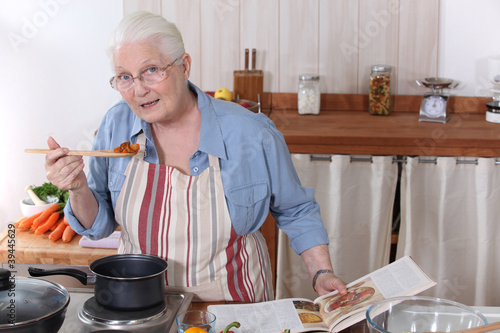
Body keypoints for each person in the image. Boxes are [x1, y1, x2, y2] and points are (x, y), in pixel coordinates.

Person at [44, 11, 347, 302]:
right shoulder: (115, 125)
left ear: (184, 66)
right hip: (141, 303)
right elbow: (98, 227)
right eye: (124, 77)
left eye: (151, 70)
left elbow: (296, 209)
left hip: (232, 301)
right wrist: (78, 187)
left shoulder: (250, 132)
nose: (138, 90)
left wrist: (321, 272)